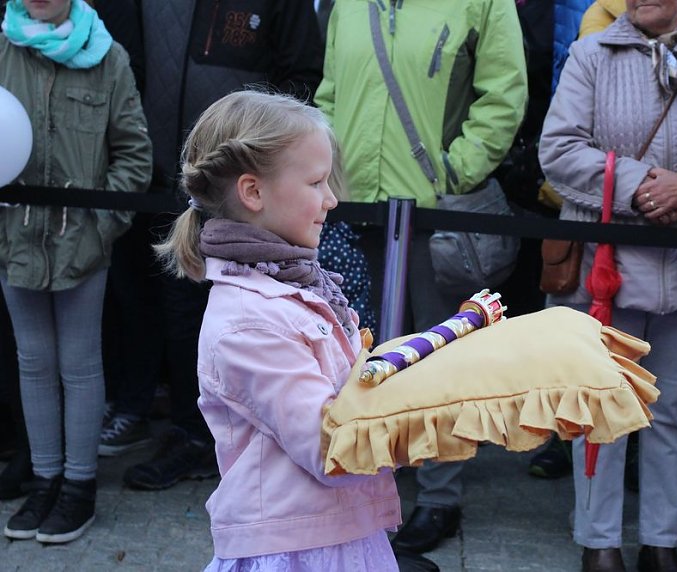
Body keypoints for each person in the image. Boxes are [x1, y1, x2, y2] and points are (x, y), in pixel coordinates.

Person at [539, 0, 677, 568]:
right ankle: (599, 545)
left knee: (673, 411)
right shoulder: (590, 55)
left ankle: (661, 543)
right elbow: (559, 150)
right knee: (601, 408)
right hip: (605, 271)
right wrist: (641, 187)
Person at [154, 89, 401, 571]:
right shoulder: (248, 321)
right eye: (316, 182)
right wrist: (427, 414)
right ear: (253, 192)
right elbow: (331, 448)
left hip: (339, 534)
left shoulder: (298, 284)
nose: (331, 199)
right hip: (298, 553)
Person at [315, 0, 527, 554]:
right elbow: (330, 95)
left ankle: (439, 496)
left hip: (433, 213)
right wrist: (326, 175)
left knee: (438, 356)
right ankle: (376, 477)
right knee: (361, 350)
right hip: (355, 207)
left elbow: (504, 94)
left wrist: (454, 171)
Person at [102, 0, 324, 492]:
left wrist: (258, 164)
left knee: (244, 316)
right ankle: (190, 434)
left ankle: (241, 445)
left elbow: (302, 79)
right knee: (172, 313)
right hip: (161, 178)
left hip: (244, 195)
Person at [0, 0, 152, 544]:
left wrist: (100, 227)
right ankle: (45, 482)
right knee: (34, 360)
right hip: (13, 240)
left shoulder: (108, 57)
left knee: (81, 364)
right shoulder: (3, 49)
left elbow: (134, 154)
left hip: (82, 245)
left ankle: (79, 489)